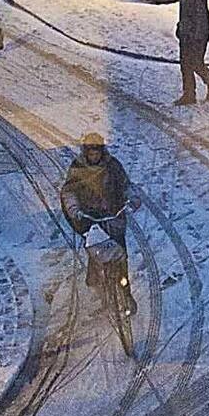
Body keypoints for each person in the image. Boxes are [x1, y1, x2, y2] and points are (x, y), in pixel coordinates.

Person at [61, 133, 136, 314]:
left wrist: (132, 198)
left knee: (120, 257)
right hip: (91, 220)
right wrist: (75, 211)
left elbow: (125, 185)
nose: (94, 156)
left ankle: (126, 293)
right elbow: (69, 192)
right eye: (91, 153)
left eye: (97, 153)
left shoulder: (113, 166)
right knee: (95, 253)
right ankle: (96, 284)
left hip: (113, 218)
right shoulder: (77, 168)